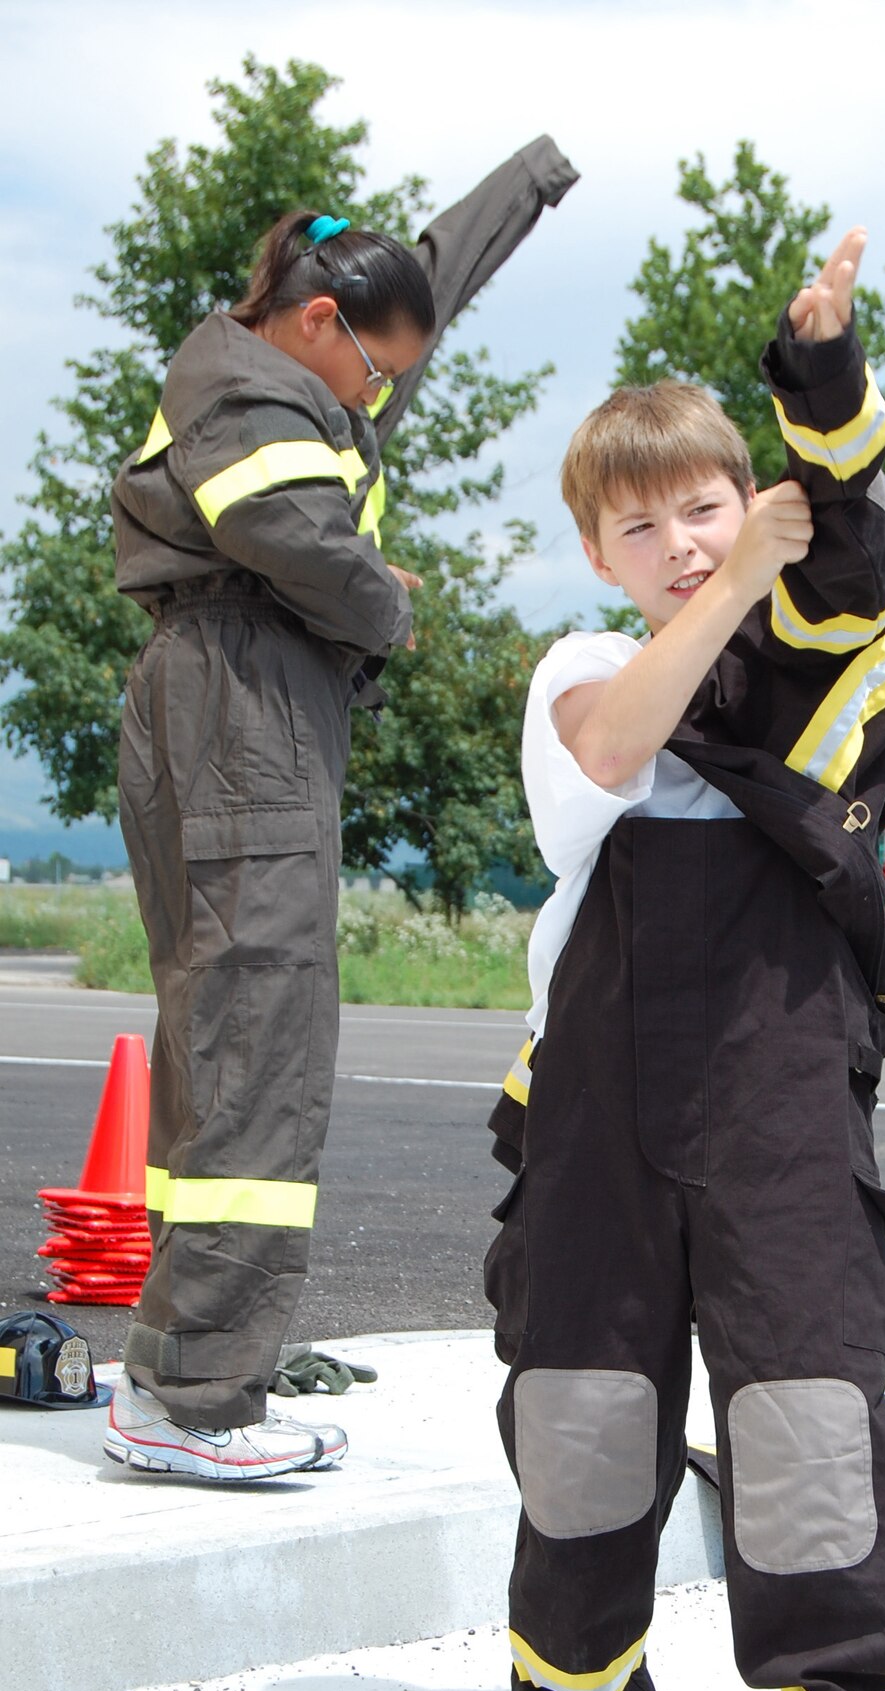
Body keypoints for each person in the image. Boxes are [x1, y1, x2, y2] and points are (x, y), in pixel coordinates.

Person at [423, 230, 885, 1691]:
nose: (673, 540)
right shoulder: (586, 668)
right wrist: (725, 577)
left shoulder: (810, 663)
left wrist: (821, 374)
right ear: (594, 547)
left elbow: (849, 551)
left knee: (802, 1414)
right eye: (634, 522)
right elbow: (616, 746)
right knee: (577, 1402)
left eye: (702, 506)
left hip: (778, 1099)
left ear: (752, 498)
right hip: (589, 1105)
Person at [103, 139, 578, 1483]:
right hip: (243, 704)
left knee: (229, 1031)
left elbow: (432, 273)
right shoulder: (253, 411)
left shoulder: (301, 348)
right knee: (258, 1034)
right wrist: (392, 600)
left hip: (233, 697)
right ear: (320, 325)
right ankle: (190, 1397)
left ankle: (182, 1361)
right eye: (380, 368)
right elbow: (306, 550)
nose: (391, 392)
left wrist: (532, 179)